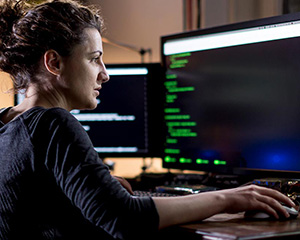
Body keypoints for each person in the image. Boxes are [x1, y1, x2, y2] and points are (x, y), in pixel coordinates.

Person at [0, 0, 296, 239]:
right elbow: (125, 219)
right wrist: (229, 198)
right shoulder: (53, 123)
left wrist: (93, 187)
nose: (105, 73)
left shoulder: (7, 122)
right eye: (94, 59)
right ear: (54, 63)